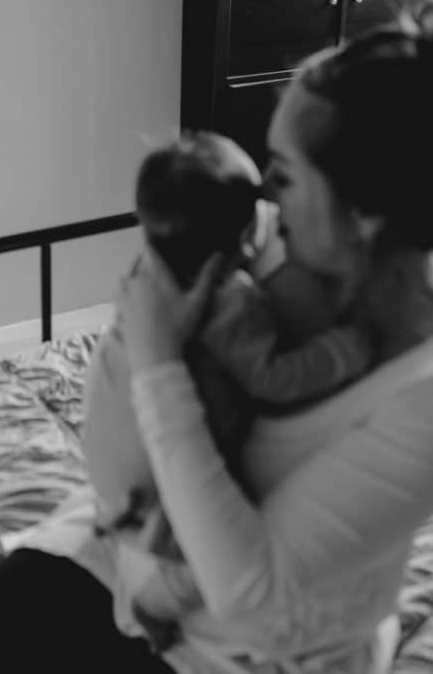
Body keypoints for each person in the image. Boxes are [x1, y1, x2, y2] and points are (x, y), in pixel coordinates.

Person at [0, 7, 433, 674]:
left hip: (244, 650)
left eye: (282, 174)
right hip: (118, 552)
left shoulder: (419, 398)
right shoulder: (287, 250)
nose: (262, 196)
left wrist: (156, 360)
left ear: (364, 213)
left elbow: (244, 589)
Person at [85, 132, 372, 565]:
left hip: (106, 468)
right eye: (262, 206)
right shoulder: (234, 303)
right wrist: (343, 351)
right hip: (162, 495)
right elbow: (273, 378)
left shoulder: (145, 274)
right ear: (246, 238)